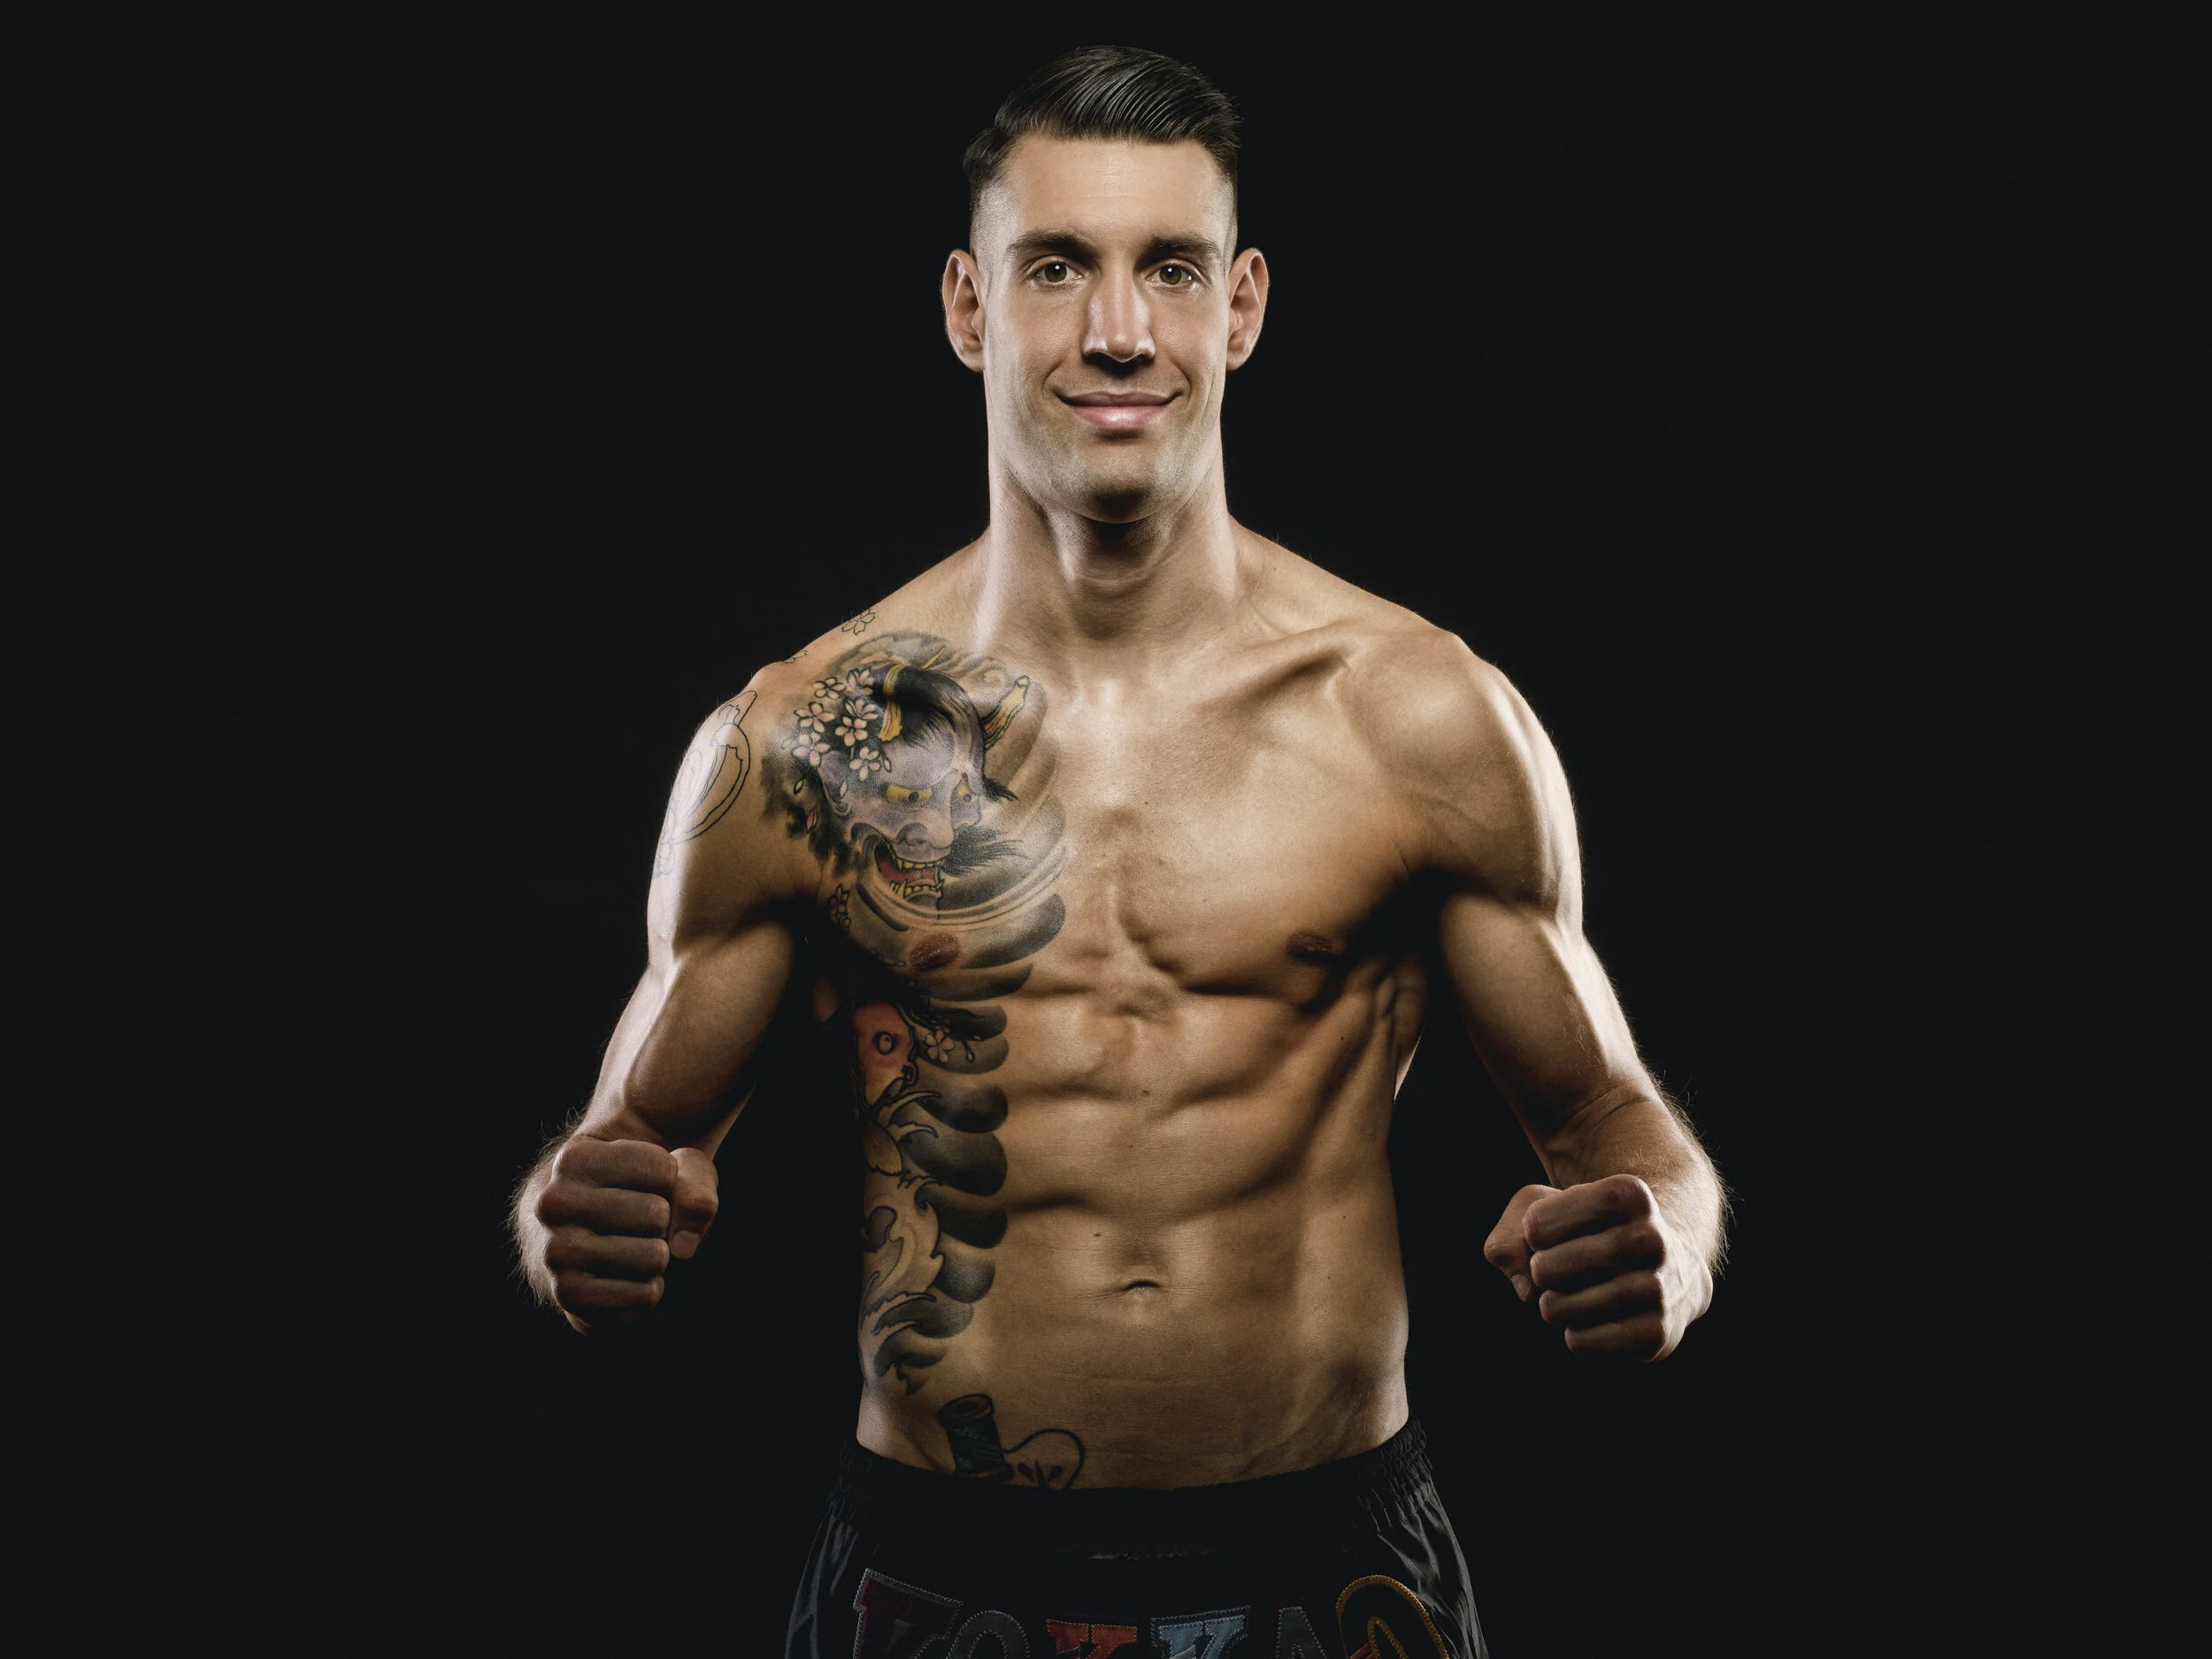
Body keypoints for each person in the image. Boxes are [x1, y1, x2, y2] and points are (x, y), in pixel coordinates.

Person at [511, 45, 1727, 1659]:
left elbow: (1612, 1124)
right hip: (937, 1569)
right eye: (1056, 266)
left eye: (1171, 267)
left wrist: (1671, 1242)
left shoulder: (1417, 717)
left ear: (1244, 307)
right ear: (968, 307)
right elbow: (618, 1156)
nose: (1117, 330)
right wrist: (567, 1227)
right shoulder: (808, 744)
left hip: (1329, 1564)